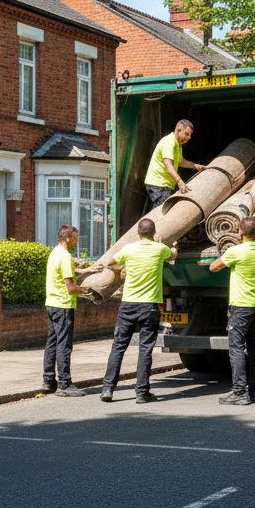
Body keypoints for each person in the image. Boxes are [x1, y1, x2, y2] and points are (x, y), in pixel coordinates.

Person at [101, 218, 177, 403]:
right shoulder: (160, 249)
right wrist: (174, 245)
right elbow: (173, 255)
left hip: (128, 304)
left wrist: (122, 267)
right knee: (145, 349)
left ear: (138, 233)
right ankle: (142, 392)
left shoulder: (128, 249)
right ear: (154, 232)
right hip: (149, 306)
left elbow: (111, 262)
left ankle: (108, 390)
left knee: (118, 346)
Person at [208, 216, 255, 405]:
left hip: (241, 307)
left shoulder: (235, 251)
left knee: (236, 349)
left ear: (240, 233)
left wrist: (229, 252)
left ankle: (239, 393)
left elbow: (213, 267)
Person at [43, 224, 97, 396]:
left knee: (51, 343)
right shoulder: (65, 256)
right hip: (63, 305)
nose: (77, 241)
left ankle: (48, 381)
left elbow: (67, 272)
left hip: (51, 303)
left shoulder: (55, 252)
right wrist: (87, 292)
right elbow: (71, 287)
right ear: (67, 238)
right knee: (64, 345)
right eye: (75, 238)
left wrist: (86, 270)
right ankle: (65, 384)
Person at [144, 119, 204, 208]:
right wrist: (179, 181)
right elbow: (168, 164)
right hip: (159, 183)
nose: (189, 137)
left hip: (165, 184)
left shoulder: (178, 145)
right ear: (178, 131)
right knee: (162, 211)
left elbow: (181, 162)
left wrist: (196, 166)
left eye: (190, 135)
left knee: (164, 210)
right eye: (187, 134)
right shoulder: (169, 142)